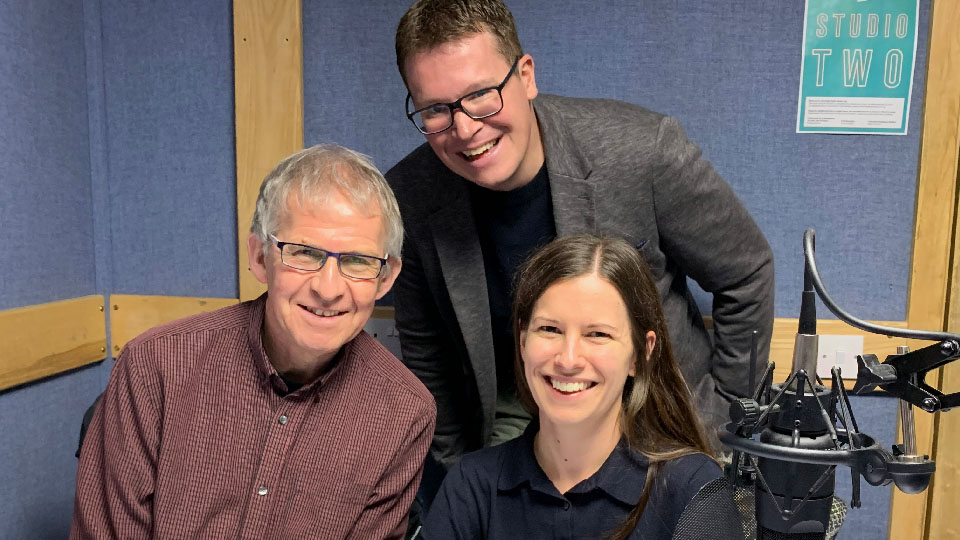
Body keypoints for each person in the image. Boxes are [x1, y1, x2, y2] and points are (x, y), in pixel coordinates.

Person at [387, 0, 775, 474]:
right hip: (517, 426)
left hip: (655, 426)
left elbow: (747, 273)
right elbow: (429, 359)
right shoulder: (409, 197)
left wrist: (722, 422)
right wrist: (458, 476)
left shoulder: (642, 150)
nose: (466, 129)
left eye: (482, 95)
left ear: (525, 76)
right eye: (435, 110)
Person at [71, 144, 436, 539]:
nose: (329, 289)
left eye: (358, 261)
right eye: (304, 253)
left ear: (386, 278)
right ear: (261, 258)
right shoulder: (155, 366)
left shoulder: (406, 413)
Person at [421, 235, 744, 540]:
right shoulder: (471, 486)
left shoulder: (692, 490)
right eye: (549, 329)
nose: (568, 358)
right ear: (522, 342)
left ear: (640, 355)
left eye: (597, 334)